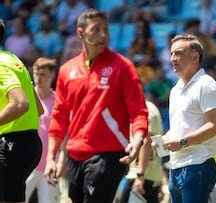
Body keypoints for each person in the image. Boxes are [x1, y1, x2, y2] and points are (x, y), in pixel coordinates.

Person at [44, 9, 149, 203]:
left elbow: (138, 110)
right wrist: (51, 157)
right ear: (81, 33)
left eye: (106, 30)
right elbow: (59, 116)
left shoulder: (123, 67)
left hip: (109, 154)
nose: (103, 35)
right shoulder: (67, 70)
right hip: (75, 154)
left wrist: (138, 139)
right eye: (96, 29)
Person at [157, 34, 216, 203]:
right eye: (171, 53)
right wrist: (164, 139)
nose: (173, 59)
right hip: (175, 166)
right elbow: (181, 127)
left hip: (198, 163)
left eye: (178, 53)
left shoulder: (206, 85)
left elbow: (215, 126)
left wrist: (183, 142)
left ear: (195, 57)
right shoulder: (175, 89)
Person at [0, 18, 44, 203]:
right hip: (27, 143)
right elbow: (38, 108)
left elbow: (20, 104)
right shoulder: (13, 59)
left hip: (13, 143)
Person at [25, 57, 59, 202]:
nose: (38, 78)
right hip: (26, 164)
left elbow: (64, 133)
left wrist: (61, 160)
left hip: (50, 166)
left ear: (52, 75)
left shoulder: (58, 100)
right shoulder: (25, 98)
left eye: (43, 74)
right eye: (36, 73)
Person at [120, 100, 164, 203]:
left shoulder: (145, 108)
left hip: (142, 176)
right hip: (150, 175)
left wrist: (140, 175)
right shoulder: (149, 107)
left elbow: (147, 141)